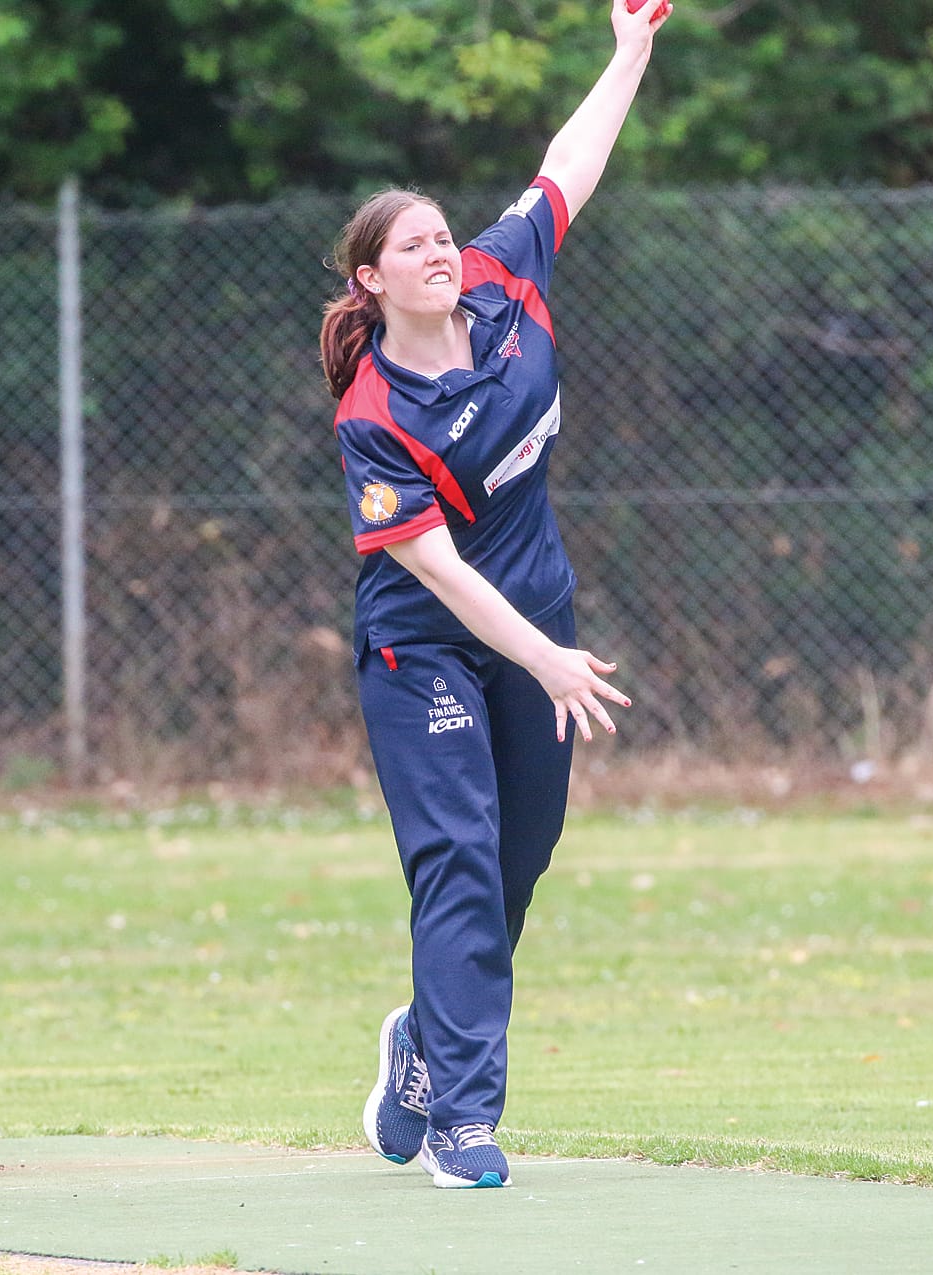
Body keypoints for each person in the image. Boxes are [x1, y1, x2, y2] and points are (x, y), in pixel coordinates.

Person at [320, 1, 668, 1190]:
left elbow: (567, 166)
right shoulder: (374, 418)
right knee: (458, 859)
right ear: (373, 280)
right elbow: (441, 574)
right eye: (412, 247)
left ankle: (423, 1040)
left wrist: (627, 51)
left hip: (536, 626)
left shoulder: (501, 281)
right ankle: (463, 1119)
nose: (440, 252)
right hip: (428, 649)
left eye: (442, 238)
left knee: (519, 860)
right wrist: (549, 662)